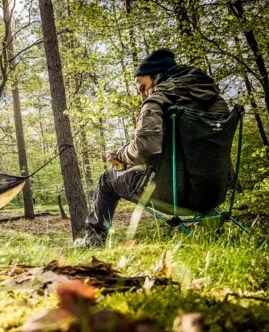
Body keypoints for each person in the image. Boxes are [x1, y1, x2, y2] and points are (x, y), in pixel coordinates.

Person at [77, 48, 229, 247]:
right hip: (214, 191)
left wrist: (119, 155)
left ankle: (93, 241)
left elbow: (144, 148)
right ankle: (212, 234)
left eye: (143, 87)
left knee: (107, 178)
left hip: (175, 194)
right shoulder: (215, 101)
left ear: (158, 76)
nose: (143, 95)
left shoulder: (157, 101)